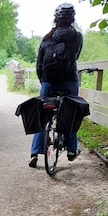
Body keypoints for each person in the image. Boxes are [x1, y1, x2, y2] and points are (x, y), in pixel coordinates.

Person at [29, 3, 83, 168]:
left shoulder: (46, 38)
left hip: (48, 82)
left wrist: (44, 82)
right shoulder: (77, 36)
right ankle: (72, 150)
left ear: (55, 19)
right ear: (72, 18)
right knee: (72, 111)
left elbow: (39, 65)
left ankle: (35, 153)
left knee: (42, 115)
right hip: (69, 81)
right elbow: (76, 56)